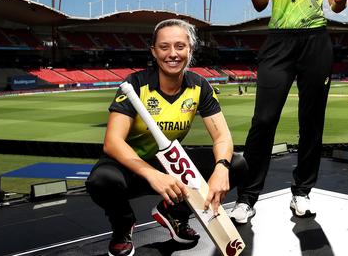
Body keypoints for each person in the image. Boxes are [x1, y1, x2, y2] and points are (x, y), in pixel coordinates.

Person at [230, 0, 348, 223]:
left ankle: (302, 192)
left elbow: (335, 3)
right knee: (264, 120)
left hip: (316, 41)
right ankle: (247, 197)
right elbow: (259, 3)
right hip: (279, 41)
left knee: (311, 123)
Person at [86, 19, 247, 256]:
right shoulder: (136, 84)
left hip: (170, 164)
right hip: (129, 166)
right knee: (101, 180)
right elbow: (113, 142)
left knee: (236, 164)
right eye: (164, 47)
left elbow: (222, 135)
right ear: (154, 51)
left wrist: (221, 168)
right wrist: (152, 174)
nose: (173, 54)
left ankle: (175, 213)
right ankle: (123, 226)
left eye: (180, 46)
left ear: (190, 49)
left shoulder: (199, 86)